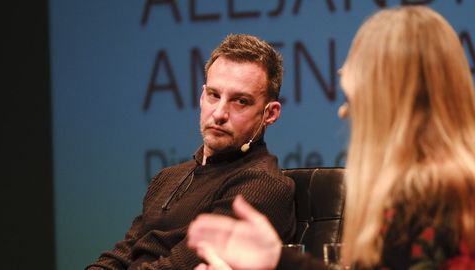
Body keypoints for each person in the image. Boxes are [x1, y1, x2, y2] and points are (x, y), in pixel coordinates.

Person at [187, 6, 475, 270]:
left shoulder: (432, 205)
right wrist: (277, 259)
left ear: (391, 103)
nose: (343, 112)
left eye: (353, 97)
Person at [86, 34, 296, 269]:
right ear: (202, 96)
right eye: (214, 95)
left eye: (240, 101)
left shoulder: (261, 185)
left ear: (270, 113)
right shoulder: (167, 178)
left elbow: (178, 267)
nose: (219, 113)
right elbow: (119, 257)